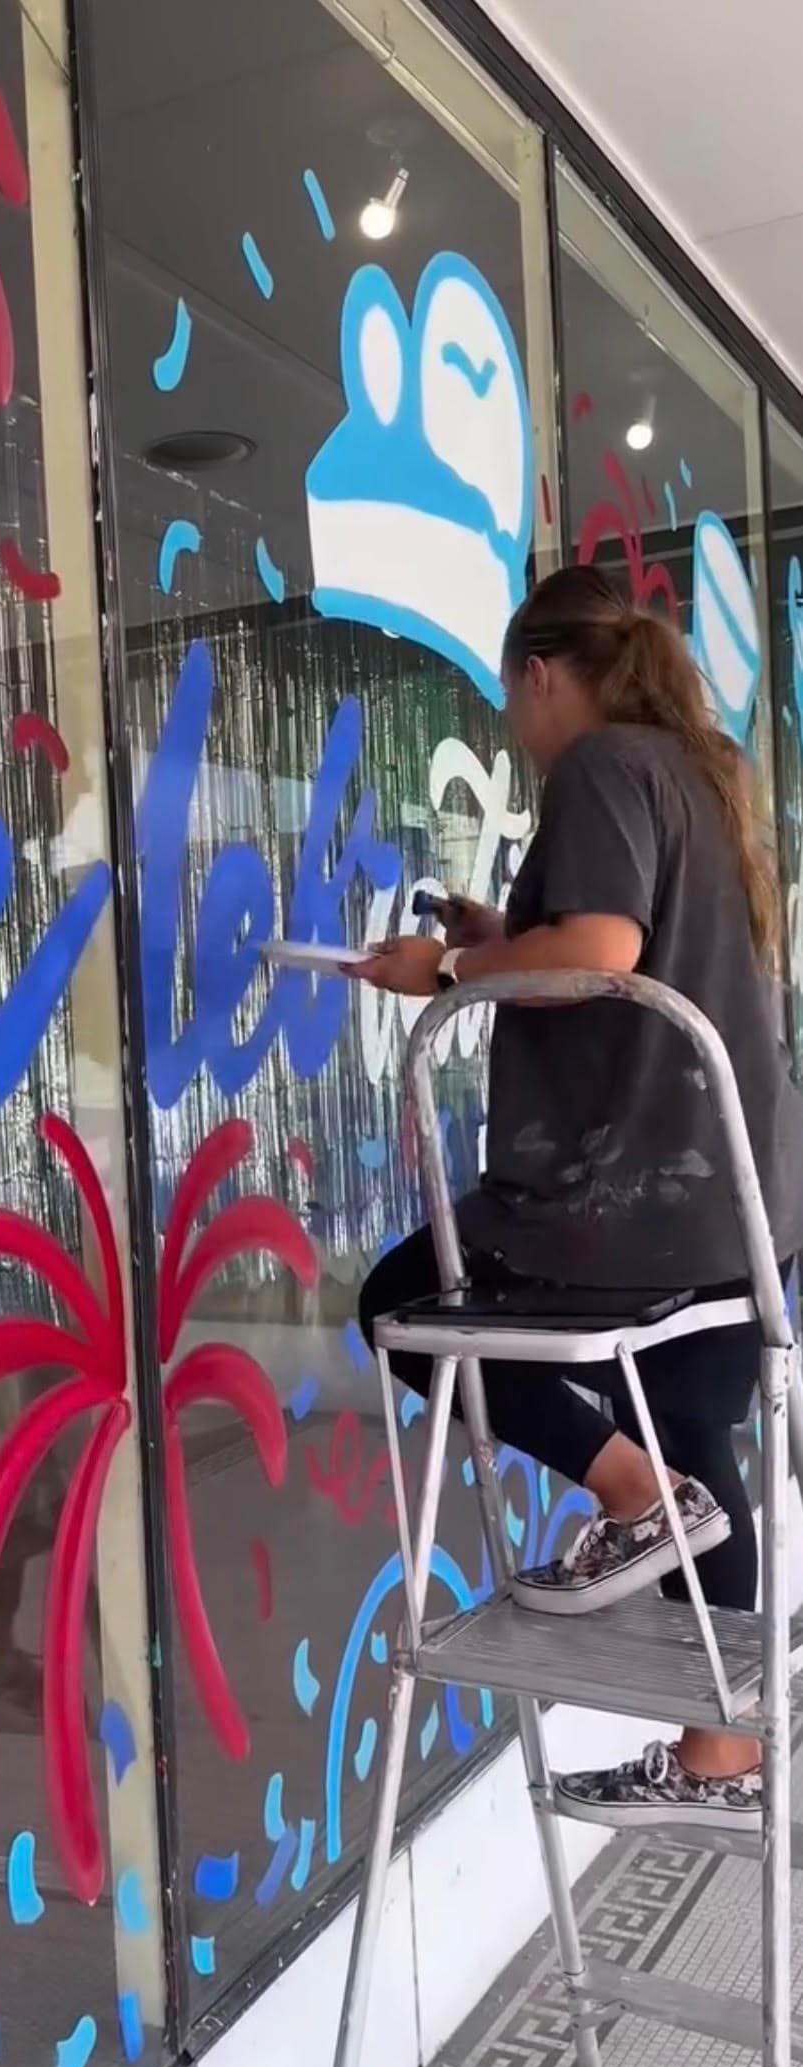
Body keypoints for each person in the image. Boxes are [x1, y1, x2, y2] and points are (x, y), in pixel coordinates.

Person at [352, 563, 803, 1832]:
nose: (518, 726)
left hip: (638, 1190)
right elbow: (618, 946)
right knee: (696, 1441)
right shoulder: (690, 775)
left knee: (396, 1302)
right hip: (744, 1201)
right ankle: (722, 1752)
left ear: (542, 675)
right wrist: (505, 934)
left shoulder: (602, 767)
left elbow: (601, 958)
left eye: (514, 700)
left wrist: (446, 967)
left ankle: (627, 1497)